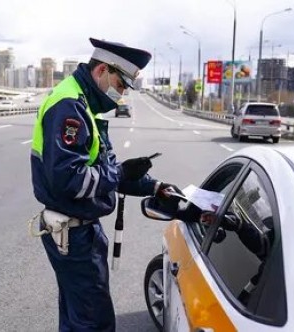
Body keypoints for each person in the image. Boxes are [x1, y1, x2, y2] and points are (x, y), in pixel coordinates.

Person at [30, 37, 180, 331]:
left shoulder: (85, 106)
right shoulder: (69, 107)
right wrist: (121, 173)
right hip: (73, 235)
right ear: (102, 71)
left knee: (78, 318)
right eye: (120, 85)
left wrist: (153, 186)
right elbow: (68, 180)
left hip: (79, 230)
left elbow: (107, 171)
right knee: (93, 323)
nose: (120, 95)